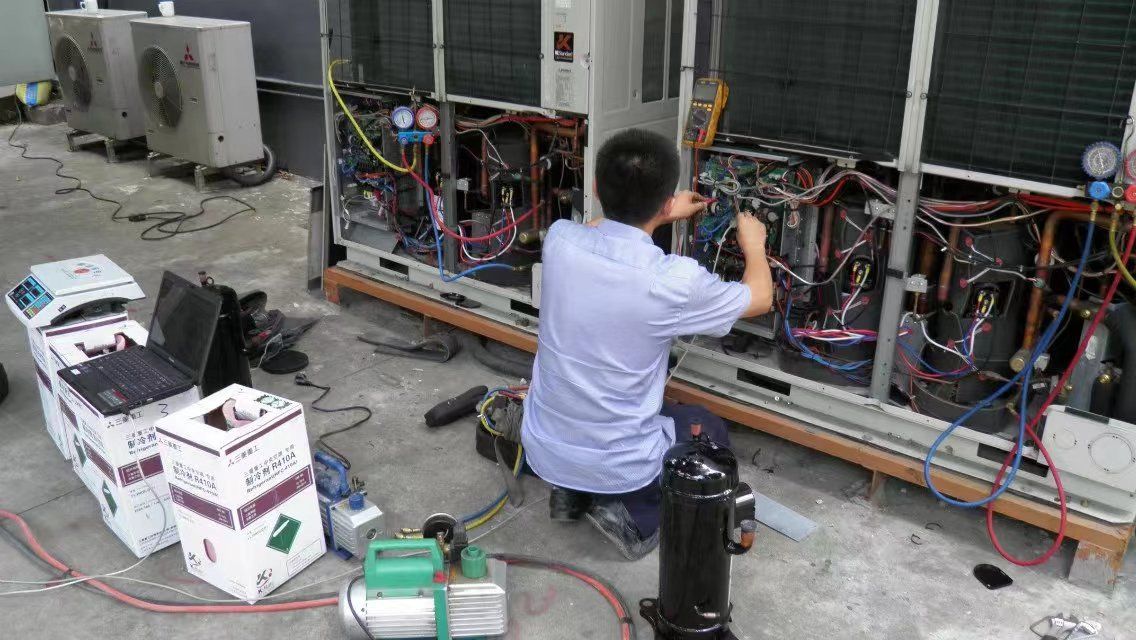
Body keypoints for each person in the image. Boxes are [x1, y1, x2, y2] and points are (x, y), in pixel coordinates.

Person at [520, 128, 774, 559]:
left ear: (595, 186)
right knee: (706, 427)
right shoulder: (674, 281)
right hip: (619, 466)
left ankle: (570, 492)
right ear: (666, 201)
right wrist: (755, 245)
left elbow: (599, 229)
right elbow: (760, 298)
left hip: (543, 446)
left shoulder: (560, 239)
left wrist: (660, 213)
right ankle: (637, 518)